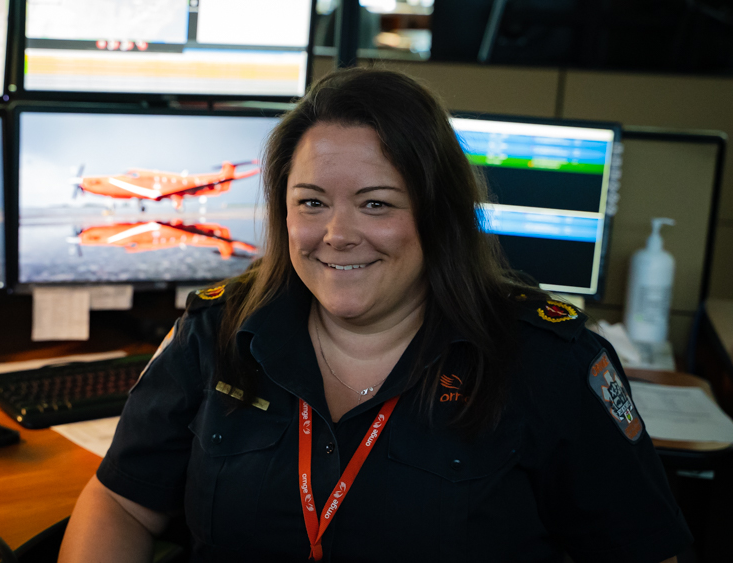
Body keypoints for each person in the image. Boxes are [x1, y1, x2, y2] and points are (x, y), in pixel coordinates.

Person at [59, 68, 692, 562]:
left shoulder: (549, 365)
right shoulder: (218, 332)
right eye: (311, 202)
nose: (336, 234)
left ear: (439, 214)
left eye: (376, 204)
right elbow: (120, 502)